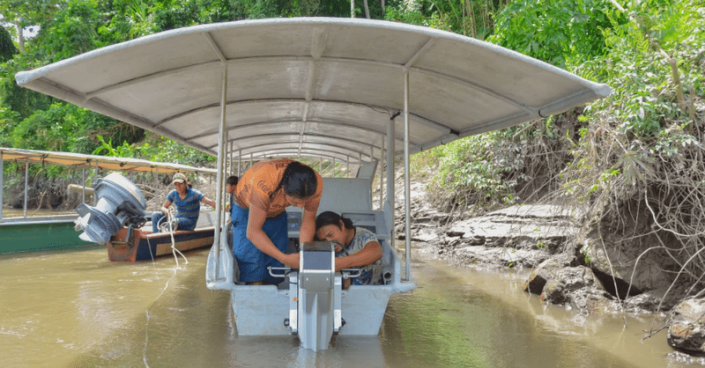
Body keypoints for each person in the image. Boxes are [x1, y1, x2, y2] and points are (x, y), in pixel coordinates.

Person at [232, 159, 323, 285]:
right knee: (252, 264)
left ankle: (272, 296)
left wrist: (304, 254)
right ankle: (255, 297)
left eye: (305, 201)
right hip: (246, 210)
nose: (301, 206)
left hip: (277, 214)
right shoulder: (264, 181)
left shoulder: (315, 183)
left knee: (275, 268)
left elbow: (309, 220)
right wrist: (285, 258)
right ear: (283, 190)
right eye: (296, 202)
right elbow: (253, 232)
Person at [315, 211, 384, 289]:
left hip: (374, 293)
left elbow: (376, 252)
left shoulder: (362, 235)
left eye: (331, 235)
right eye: (324, 240)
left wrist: (343, 263)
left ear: (341, 224)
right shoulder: (328, 247)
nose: (329, 242)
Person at [151, 173, 216, 233]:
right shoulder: (173, 193)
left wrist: (223, 207)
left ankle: (167, 237)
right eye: (176, 184)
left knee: (173, 222)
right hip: (177, 219)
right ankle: (156, 236)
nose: (178, 186)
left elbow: (210, 202)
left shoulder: (194, 193)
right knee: (155, 215)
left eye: (180, 184)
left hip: (189, 222)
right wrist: (166, 210)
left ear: (185, 183)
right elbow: (163, 207)